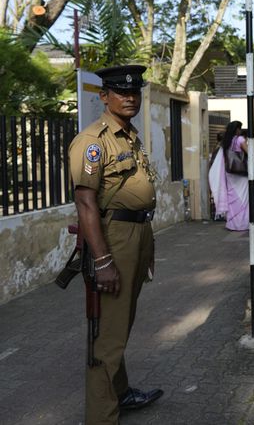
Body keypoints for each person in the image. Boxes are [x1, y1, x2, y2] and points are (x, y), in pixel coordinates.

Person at [67, 65, 163, 424]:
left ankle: (121, 393)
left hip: (137, 236)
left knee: (118, 323)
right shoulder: (93, 141)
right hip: (114, 239)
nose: (130, 97)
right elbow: (86, 203)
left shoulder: (129, 136)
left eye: (135, 92)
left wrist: (147, 250)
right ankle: (102, 416)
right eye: (121, 92)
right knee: (107, 337)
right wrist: (104, 260)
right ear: (103, 96)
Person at [208, 121, 249, 231]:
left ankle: (232, 223)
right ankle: (242, 224)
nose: (240, 131)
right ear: (237, 130)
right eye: (239, 128)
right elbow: (250, 152)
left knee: (232, 195)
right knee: (243, 197)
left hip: (230, 172)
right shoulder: (240, 139)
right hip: (240, 173)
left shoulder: (226, 141)